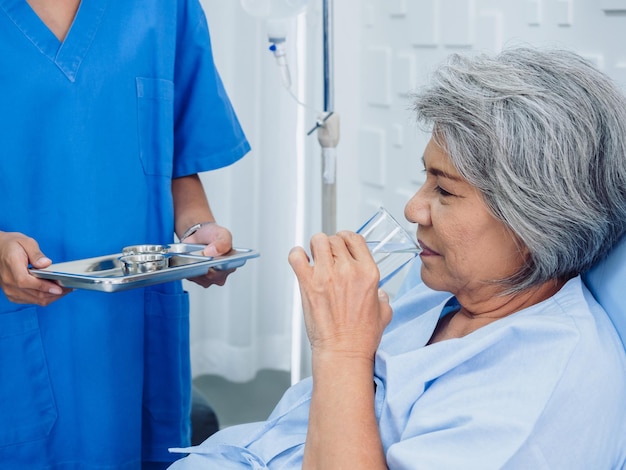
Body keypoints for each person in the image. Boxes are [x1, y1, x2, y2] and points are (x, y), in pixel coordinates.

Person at [168, 47, 626, 469]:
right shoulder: (445, 295)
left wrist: (342, 348)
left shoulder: (534, 397)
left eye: (444, 190)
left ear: (534, 223)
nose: (413, 209)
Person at [0, 1, 249, 469]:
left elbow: (174, 159)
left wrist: (198, 232)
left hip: (133, 339)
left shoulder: (165, 8)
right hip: (16, 337)